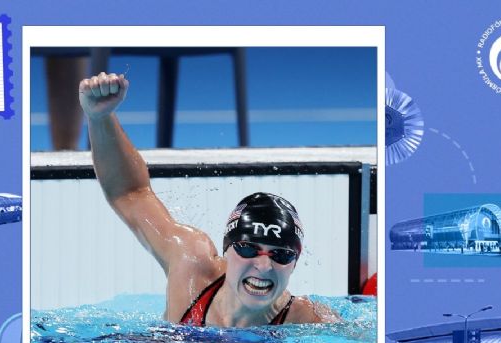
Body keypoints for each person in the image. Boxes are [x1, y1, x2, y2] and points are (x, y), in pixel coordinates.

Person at [78, 72, 341, 327]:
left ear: (295, 260)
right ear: (227, 249)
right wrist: (100, 118)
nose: (263, 266)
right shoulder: (190, 265)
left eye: (280, 255)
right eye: (248, 249)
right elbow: (131, 194)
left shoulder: (309, 320)